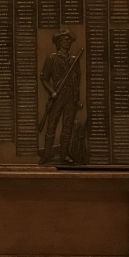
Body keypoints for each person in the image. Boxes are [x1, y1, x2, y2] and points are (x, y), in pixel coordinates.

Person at [40, 28, 82, 164]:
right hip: (57, 97)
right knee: (51, 125)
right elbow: (44, 78)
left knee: (67, 127)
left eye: (69, 40)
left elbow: (77, 80)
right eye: (65, 40)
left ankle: (64, 155)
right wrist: (52, 92)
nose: (68, 41)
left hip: (70, 97)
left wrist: (77, 98)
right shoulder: (51, 58)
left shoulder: (74, 60)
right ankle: (47, 155)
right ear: (59, 42)